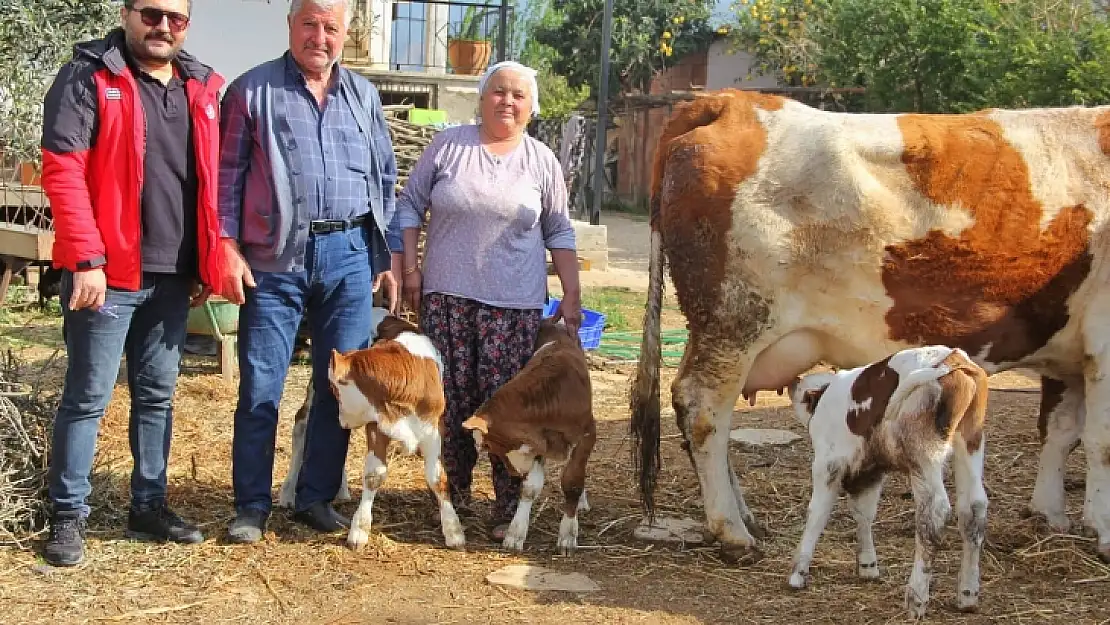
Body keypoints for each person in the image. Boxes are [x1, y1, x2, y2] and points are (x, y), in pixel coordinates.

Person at [38, 0, 225, 567]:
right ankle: (68, 516)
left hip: (172, 276)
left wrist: (205, 263)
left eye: (176, 17)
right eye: (151, 13)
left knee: (157, 398)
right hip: (106, 274)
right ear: (126, 13)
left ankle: (148, 509)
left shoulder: (200, 86)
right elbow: (62, 168)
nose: (163, 26)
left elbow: (208, 183)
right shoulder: (88, 76)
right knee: (88, 399)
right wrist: (87, 259)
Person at [217, 0, 401, 543]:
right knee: (261, 387)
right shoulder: (252, 91)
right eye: (310, 24)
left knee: (338, 385)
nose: (319, 36)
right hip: (274, 260)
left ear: (345, 34)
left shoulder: (363, 96)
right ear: (291, 26)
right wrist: (227, 246)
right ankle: (251, 504)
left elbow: (385, 176)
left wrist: (379, 254)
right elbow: (227, 178)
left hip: (347, 257)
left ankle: (315, 497)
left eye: (331, 27)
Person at [396, 60, 582, 540]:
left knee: (505, 404)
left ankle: (506, 506)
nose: (508, 101)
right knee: (450, 398)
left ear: (531, 106)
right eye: (498, 92)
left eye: (518, 95)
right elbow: (410, 204)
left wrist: (572, 293)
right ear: (481, 98)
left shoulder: (541, 160)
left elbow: (558, 228)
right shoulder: (449, 146)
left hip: (513, 306)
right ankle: (449, 497)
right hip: (447, 299)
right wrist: (410, 267)